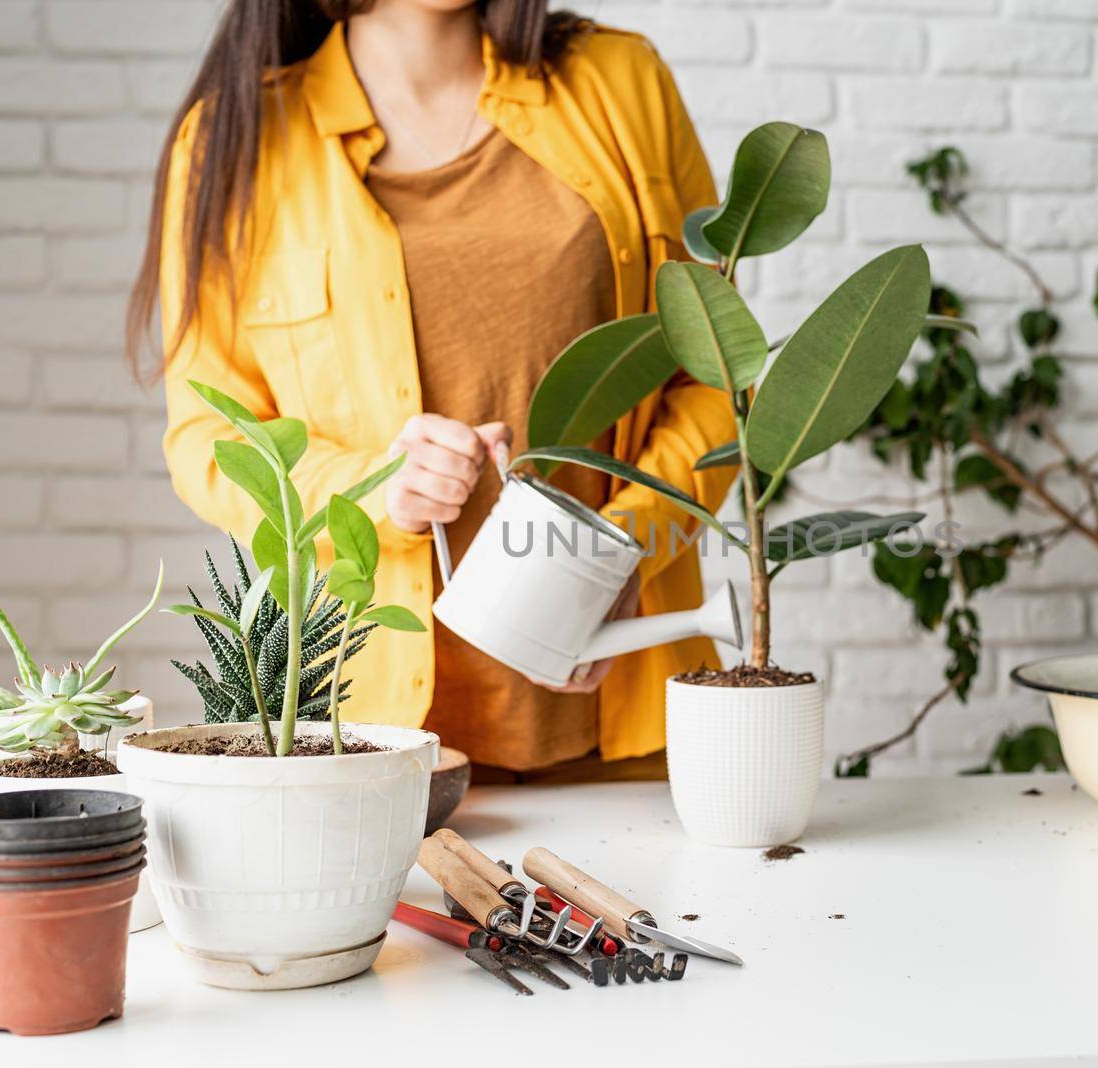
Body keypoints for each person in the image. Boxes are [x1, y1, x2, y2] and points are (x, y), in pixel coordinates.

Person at [129, 0, 736, 781]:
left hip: (625, 714)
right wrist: (377, 489)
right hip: (367, 747)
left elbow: (716, 372)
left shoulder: (621, 81)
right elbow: (209, 441)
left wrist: (620, 550)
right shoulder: (231, 138)